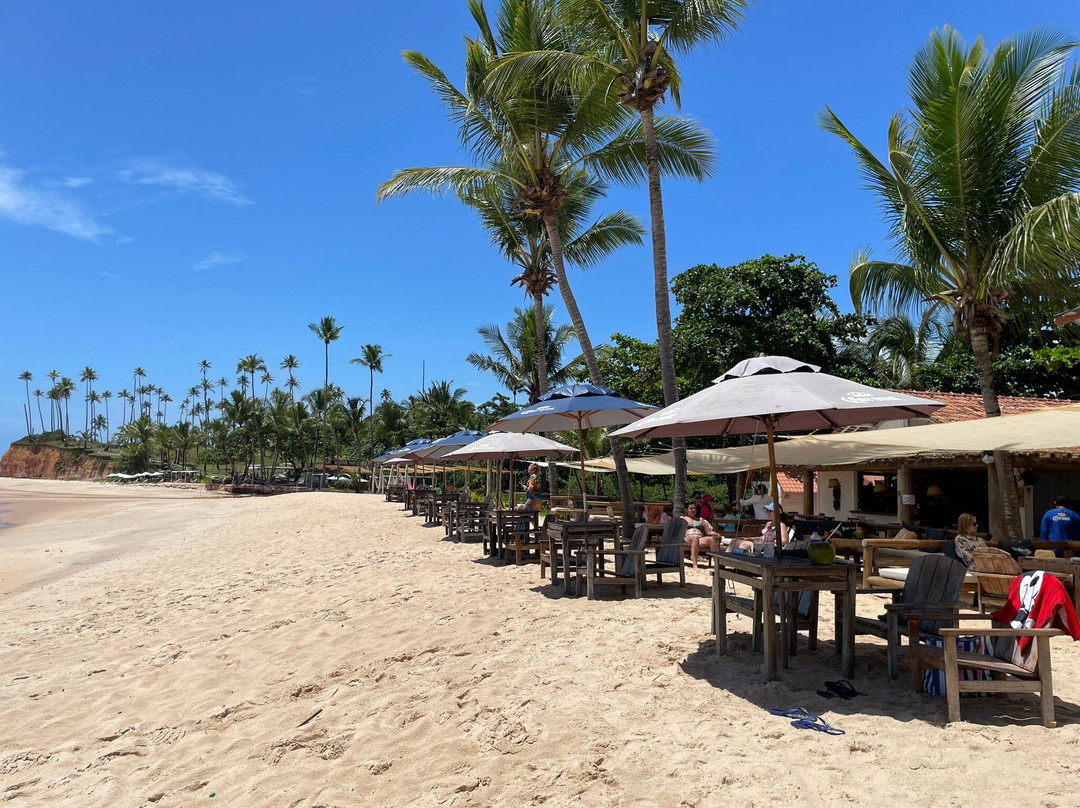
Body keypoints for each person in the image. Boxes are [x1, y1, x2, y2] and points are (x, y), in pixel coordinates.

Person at [681, 502, 721, 569]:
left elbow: (708, 531)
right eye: (691, 508)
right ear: (686, 509)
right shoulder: (682, 519)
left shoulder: (700, 519)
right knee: (695, 538)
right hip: (687, 538)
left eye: (694, 508)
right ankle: (695, 564)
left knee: (712, 539)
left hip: (699, 538)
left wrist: (716, 534)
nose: (693, 510)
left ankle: (718, 563)